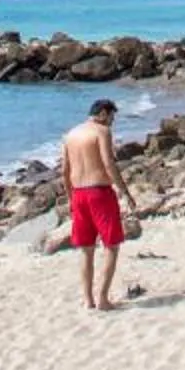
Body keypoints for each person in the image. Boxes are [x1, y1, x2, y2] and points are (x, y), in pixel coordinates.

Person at [60, 98, 136, 312]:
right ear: (103, 113)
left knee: (86, 250)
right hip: (99, 192)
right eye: (111, 117)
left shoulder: (70, 135)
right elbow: (108, 164)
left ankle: (87, 299)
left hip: (78, 194)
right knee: (112, 246)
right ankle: (102, 298)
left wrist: (69, 198)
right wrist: (125, 192)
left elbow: (64, 171)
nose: (112, 122)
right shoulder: (101, 132)